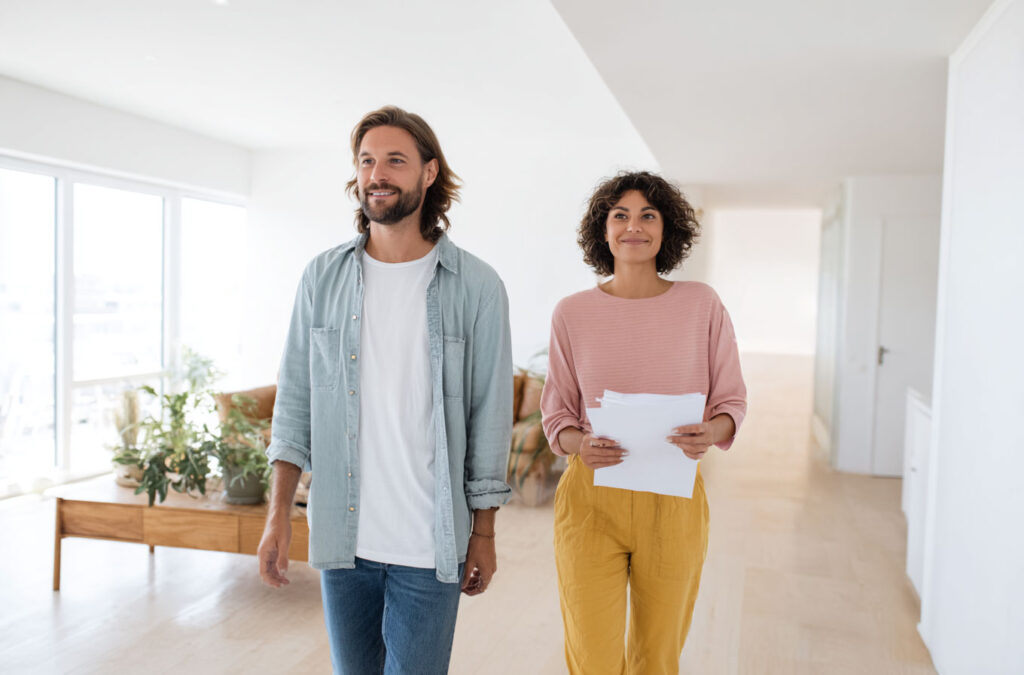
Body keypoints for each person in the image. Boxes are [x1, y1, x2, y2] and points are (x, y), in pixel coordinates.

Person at [256, 105, 513, 675]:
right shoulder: (321, 277)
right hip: (343, 541)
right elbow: (294, 401)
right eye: (367, 160)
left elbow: (490, 417)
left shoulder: (477, 286)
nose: (377, 174)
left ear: (429, 172)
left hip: (430, 544)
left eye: (395, 160)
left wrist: (485, 532)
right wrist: (278, 516)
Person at [540, 171, 747, 674]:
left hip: (674, 503)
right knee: (592, 657)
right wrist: (579, 443)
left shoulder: (702, 305)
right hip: (590, 503)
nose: (634, 226)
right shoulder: (571, 313)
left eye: (648, 215)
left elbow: (731, 402)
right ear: (603, 230)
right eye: (621, 215)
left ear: (666, 228)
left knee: (657, 658)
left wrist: (711, 431)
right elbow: (557, 414)